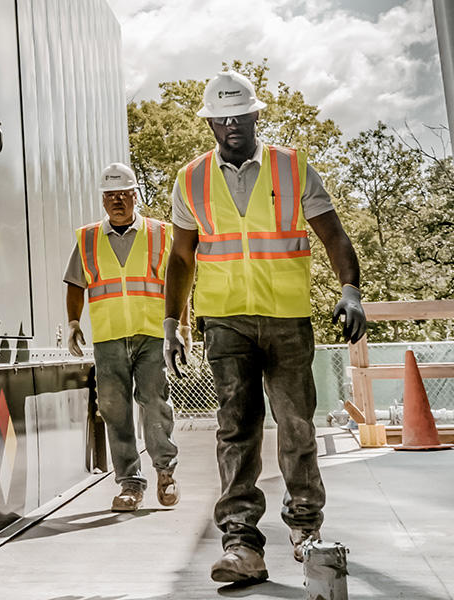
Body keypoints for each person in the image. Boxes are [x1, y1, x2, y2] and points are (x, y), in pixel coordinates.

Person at [163, 70, 367, 584]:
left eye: (241, 114)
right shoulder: (189, 179)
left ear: (257, 115)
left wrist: (350, 289)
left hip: (287, 318)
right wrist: (172, 322)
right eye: (222, 117)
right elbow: (182, 258)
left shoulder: (293, 167)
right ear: (210, 122)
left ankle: (305, 530)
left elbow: (333, 234)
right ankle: (241, 544)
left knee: (297, 426)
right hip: (225, 322)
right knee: (237, 430)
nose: (233, 124)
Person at [63, 162, 186, 512]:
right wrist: (73, 322)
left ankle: (166, 473)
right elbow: (75, 283)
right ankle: (130, 483)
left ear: (136, 196)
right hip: (109, 338)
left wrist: (182, 327)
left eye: (124, 194)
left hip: (151, 334)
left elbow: (180, 282)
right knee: (114, 410)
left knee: (154, 403)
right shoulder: (87, 239)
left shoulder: (161, 233)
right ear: (103, 200)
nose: (117, 201)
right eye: (110, 196)